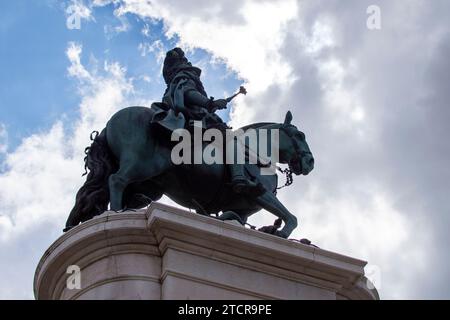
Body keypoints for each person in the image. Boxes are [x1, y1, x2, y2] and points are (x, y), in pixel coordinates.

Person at [152, 47, 263, 195]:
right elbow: (187, 93)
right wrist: (210, 103)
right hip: (195, 122)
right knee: (230, 138)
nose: (188, 62)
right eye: (185, 59)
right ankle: (239, 178)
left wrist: (211, 107)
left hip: (193, 119)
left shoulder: (176, 79)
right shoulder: (184, 76)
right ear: (181, 62)